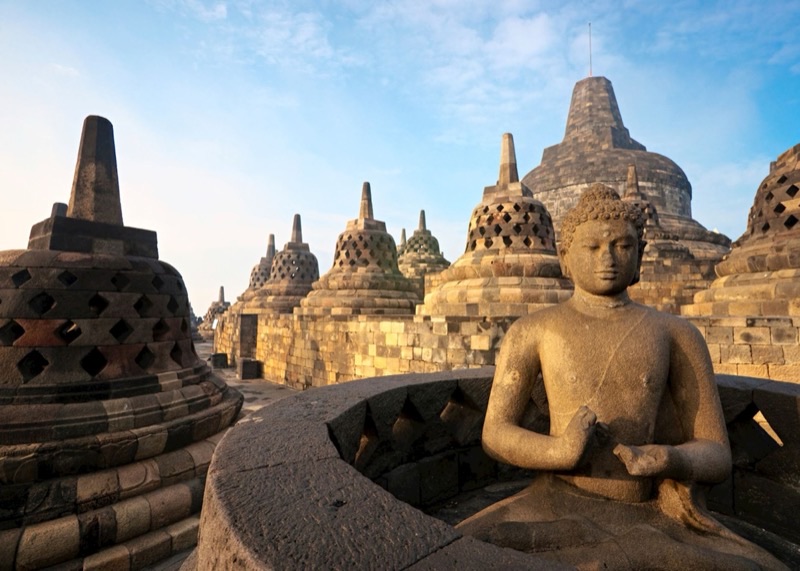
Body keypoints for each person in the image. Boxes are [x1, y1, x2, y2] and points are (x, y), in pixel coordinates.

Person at [457, 185, 786, 570]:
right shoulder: (533, 331)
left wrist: (670, 458)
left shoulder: (675, 334)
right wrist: (558, 451)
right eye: (592, 247)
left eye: (622, 246)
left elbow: (716, 453)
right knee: (459, 552)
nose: (608, 259)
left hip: (648, 514)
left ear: (640, 256)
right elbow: (495, 433)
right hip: (554, 503)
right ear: (565, 257)